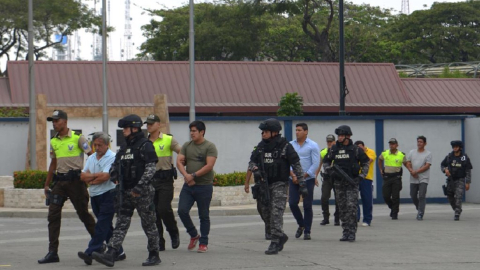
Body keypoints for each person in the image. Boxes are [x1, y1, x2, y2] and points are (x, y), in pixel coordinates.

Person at [92, 114, 161, 267]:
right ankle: (111, 252)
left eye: (125, 128)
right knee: (121, 223)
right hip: (125, 191)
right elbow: (115, 165)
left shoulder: (145, 145)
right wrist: (114, 174)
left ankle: (154, 254)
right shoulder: (124, 147)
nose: (123, 131)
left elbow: (151, 169)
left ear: (134, 128)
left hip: (142, 192)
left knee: (149, 224)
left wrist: (139, 187)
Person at [38, 110, 96, 264]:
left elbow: (93, 156)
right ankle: (52, 252)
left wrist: (92, 176)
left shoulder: (78, 138)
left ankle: (98, 243)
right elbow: (53, 163)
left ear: (64, 121)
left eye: (57, 121)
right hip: (59, 184)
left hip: (76, 183)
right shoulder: (54, 141)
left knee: (83, 214)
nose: (54, 123)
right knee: (53, 215)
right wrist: (46, 184)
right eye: (53, 121)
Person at [249, 118, 308, 255]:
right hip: (264, 184)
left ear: (274, 132)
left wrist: (302, 183)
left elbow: (296, 165)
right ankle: (280, 235)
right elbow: (251, 161)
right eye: (262, 131)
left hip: (279, 185)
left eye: (265, 131)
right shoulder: (261, 146)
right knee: (265, 212)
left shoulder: (285, 146)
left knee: (276, 213)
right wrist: (255, 168)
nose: (263, 134)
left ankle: (275, 241)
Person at [77, 132, 125, 265]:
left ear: (107, 145)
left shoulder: (112, 157)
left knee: (101, 225)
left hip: (108, 194)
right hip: (95, 196)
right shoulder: (92, 157)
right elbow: (82, 176)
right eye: (95, 145)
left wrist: (90, 178)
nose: (97, 147)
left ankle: (90, 252)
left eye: (100, 145)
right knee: (106, 226)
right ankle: (119, 251)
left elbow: (105, 177)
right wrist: (94, 178)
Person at [176, 121, 218, 253]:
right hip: (188, 186)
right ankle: (194, 234)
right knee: (182, 211)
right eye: (191, 131)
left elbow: (209, 166)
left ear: (202, 132)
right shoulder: (187, 146)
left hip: (204, 186)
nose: (192, 133)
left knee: (203, 215)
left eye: (194, 131)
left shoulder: (210, 146)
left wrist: (193, 175)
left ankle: (203, 242)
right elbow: (179, 161)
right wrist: (186, 176)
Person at [323, 125, 369, 242]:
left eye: (342, 135)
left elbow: (365, 163)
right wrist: (330, 171)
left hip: (352, 182)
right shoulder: (333, 149)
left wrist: (361, 177)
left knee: (351, 207)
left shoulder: (356, 149)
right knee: (342, 208)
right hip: (338, 183)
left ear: (348, 136)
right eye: (339, 135)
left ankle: (352, 232)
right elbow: (326, 161)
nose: (339, 138)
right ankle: (345, 231)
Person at [145, 114, 181, 251]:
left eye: (151, 123)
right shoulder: (145, 142)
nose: (148, 126)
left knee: (164, 208)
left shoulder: (168, 139)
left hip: (165, 180)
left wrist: (182, 165)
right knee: (153, 213)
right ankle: (159, 240)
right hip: (150, 181)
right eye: (147, 124)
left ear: (158, 125)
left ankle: (173, 232)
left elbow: (181, 152)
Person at [289, 123, 319, 240]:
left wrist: (303, 176)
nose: (297, 132)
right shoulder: (291, 145)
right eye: (296, 130)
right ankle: (301, 224)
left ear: (306, 132)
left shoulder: (313, 145)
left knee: (307, 205)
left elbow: (315, 163)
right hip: (293, 179)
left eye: (299, 130)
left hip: (308, 179)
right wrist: (293, 175)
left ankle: (307, 231)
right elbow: (288, 162)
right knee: (292, 203)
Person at [440, 140, 473, 221]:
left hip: (460, 180)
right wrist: (445, 170)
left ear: (460, 148)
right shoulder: (449, 157)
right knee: (449, 196)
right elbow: (442, 164)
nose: (454, 148)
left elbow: (468, 170)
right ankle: (456, 208)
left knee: (458, 196)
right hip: (451, 179)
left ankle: (457, 213)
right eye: (454, 147)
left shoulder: (464, 158)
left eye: (456, 147)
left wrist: (468, 182)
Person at [378, 138, 406, 220]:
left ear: (397, 145)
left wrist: (411, 170)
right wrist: (380, 169)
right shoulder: (385, 153)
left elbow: (406, 163)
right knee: (385, 195)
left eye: (393, 144)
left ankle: (395, 213)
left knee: (395, 196)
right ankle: (392, 208)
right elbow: (379, 160)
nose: (391, 145)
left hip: (396, 177)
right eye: (390, 144)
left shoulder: (401, 155)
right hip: (387, 177)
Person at [406, 136, 432, 221]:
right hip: (413, 177)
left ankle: (420, 213)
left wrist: (416, 172)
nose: (419, 143)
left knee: (421, 195)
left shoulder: (428, 154)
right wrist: (411, 170)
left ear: (425, 143)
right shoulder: (412, 152)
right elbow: (408, 162)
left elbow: (427, 166)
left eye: (421, 142)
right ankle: (419, 207)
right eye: (418, 141)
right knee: (413, 195)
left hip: (423, 178)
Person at [315, 134, 339, 226]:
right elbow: (319, 164)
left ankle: (337, 218)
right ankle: (326, 217)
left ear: (334, 142)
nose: (329, 143)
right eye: (328, 141)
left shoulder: (338, 151)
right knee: (324, 198)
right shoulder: (323, 152)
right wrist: (315, 177)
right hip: (327, 177)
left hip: (337, 178)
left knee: (338, 198)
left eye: (331, 141)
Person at [244, 164, 272, 240]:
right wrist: (247, 183)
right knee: (260, 208)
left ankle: (269, 231)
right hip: (260, 186)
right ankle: (269, 225)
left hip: (271, 185)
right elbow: (250, 168)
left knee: (268, 209)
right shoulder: (257, 155)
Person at [354, 141, 376, 227]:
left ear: (364, 146)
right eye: (357, 148)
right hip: (355, 177)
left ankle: (367, 219)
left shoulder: (370, 152)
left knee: (367, 199)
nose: (359, 149)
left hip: (366, 178)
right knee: (353, 198)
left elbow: (368, 161)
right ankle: (356, 217)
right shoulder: (354, 153)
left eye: (360, 147)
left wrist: (361, 155)